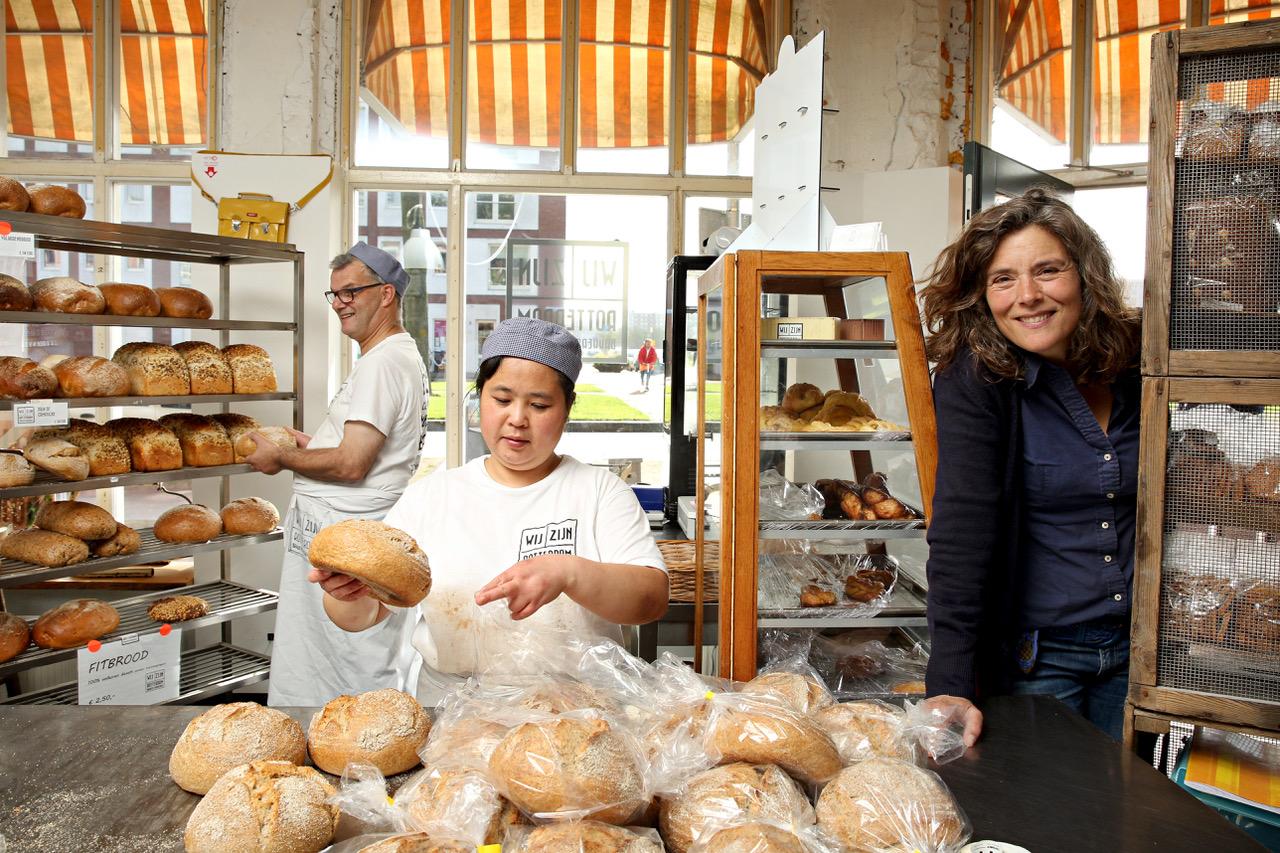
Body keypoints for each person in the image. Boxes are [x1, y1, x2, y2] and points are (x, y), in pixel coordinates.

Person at [309, 317, 670, 704]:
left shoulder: (599, 492)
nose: (517, 418)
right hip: (453, 711)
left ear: (566, 411)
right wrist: (350, 594)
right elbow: (364, 616)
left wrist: (570, 572)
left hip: (578, 715)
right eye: (501, 399)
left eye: (539, 404)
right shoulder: (432, 497)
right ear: (479, 399)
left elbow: (650, 600)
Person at [918, 188, 1141, 745]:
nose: (1028, 296)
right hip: (1038, 659)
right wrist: (951, 684)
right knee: (1049, 820)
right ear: (980, 295)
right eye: (1003, 279)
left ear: (1085, 276)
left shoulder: (1138, 360)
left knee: (1136, 822)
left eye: (1048, 271)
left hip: (1146, 651)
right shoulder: (975, 378)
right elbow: (961, 536)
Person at [252, 242, 430, 707]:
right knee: (325, 656)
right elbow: (368, 452)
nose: (340, 304)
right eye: (334, 295)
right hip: (344, 536)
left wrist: (281, 459)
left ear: (387, 294)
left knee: (346, 659)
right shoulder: (394, 357)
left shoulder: (383, 362)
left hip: (347, 542)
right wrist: (315, 448)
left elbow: (353, 463)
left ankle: (351, 755)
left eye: (351, 292)